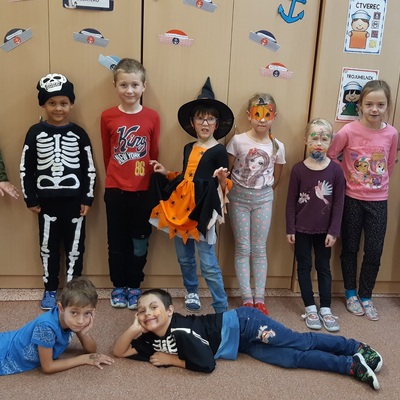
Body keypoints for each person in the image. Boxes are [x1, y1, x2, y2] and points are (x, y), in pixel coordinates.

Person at [113, 288, 382, 390]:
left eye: (153, 307)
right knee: (290, 360)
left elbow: (207, 364)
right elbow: (120, 352)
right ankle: (350, 365)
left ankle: (355, 347)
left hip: (245, 323)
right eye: (141, 311)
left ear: (170, 311)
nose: (148, 314)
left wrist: (172, 360)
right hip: (239, 345)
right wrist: (134, 328)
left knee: (298, 341)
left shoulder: (181, 329)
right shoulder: (148, 338)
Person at [149, 77, 233, 313]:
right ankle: (191, 291)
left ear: (217, 124)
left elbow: (226, 186)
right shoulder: (188, 148)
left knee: (208, 262)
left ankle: (220, 305)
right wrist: (166, 173)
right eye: (200, 118)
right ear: (192, 123)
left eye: (210, 119)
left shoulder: (219, 150)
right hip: (180, 210)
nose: (205, 123)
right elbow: (187, 177)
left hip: (202, 211)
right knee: (184, 257)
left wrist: (222, 179)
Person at [20, 73, 96, 310]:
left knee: (75, 248)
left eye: (64, 103)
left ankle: (73, 291)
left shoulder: (79, 134)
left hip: (75, 201)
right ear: (43, 104)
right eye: (52, 103)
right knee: (48, 248)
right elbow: (26, 167)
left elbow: (90, 168)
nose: (58, 108)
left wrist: (87, 197)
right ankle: (50, 288)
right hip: (46, 203)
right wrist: (29, 198)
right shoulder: (34, 133)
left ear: (71, 104)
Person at [327, 80, 399, 321]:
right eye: (369, 104)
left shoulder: (392, 133)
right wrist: (346, 175)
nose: (374, 109)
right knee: (349, 248)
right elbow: (331, 155)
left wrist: (379, 182)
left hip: (379, 200)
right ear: (360, 105)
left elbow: (389, 163)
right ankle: (350, 293)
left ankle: (366, 295)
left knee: (374, 251)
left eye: (380, 104)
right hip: (352, 198)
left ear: (388, 106)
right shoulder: (348, 131)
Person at [101, 58, 160, 310]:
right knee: (116, 241)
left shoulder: (152, 116)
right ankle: (118, 285)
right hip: (115, 190)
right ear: (115, 86)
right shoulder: (107, 116)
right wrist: (116, 176)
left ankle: (134, 284)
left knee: (139, 241)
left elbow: (153, 153)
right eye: (123, 85)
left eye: (135, 85)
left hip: (143, 192)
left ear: (143, 86)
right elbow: (107, 153)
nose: (129, 90)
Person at [226, 93, 285, 315]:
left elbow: (277, 177)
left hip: (263, 200)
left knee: (259, 249)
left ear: (274, 116)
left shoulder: (277, 146)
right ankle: (246, 298)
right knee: (243, 248)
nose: (262, 119)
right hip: (238, 199)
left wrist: (261, 191)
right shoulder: (237, 141)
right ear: (248, 115)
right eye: (257, 114)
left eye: (267, 114)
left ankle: (259, 298)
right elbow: (228, 171)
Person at [286, 118, 345, 331]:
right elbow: (290, 202)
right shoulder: (297, 170)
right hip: (301, 229)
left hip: (325, 231)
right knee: (304, 266)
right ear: (305, 140)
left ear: (331, 141)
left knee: (323, 267)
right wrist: (290, 228)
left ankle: (326, 308)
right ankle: (310, 307)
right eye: (314, 138)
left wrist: (334, 231)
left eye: (324, 138)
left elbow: (338, 204)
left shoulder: (336, 171)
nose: (318, 143)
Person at [0, 277, 114, 375]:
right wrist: (84, 359)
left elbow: (91, 350)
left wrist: (84, 334)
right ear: (61, 308)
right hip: (4, 355)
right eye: (74, 312)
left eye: (87, 313)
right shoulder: (46, 328)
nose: (80, 321)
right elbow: (48, 367)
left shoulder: (72, 320)